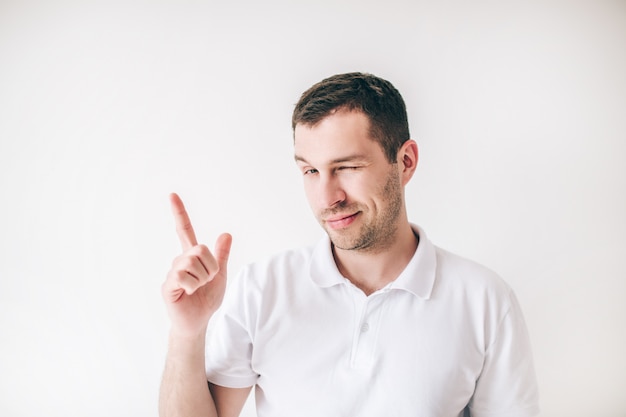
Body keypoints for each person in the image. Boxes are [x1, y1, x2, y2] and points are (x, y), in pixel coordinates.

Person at [159, 72, 540, 417]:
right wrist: (187, 333)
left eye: (347, 167)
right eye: (310, 171)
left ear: (405, 161)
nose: (326, 197)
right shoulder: (262, 289)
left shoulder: (485, 300)